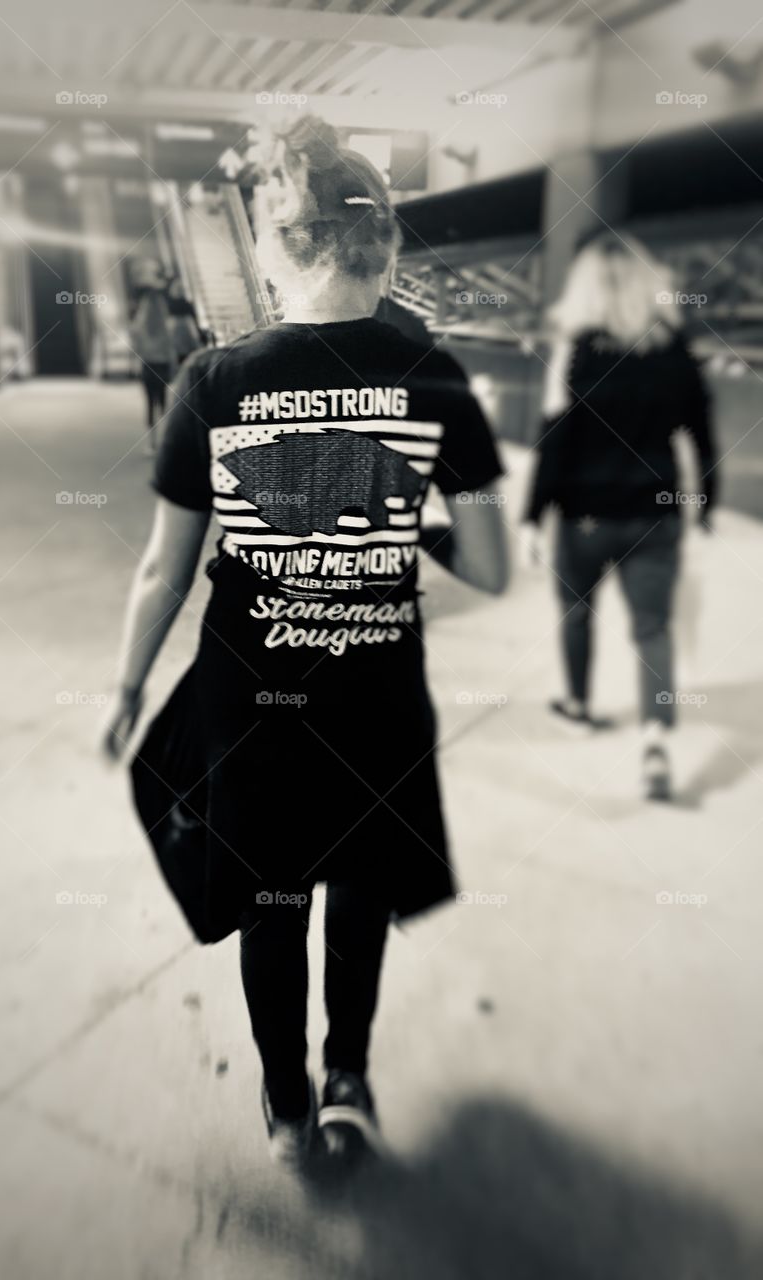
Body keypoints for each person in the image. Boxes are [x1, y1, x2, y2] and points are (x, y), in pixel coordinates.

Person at [103, 116, 509, 1171]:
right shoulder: (439, 376)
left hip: (254, 697)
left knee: (271, 898)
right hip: (376, 691)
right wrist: (394, 514)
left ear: (278, 253)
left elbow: (163, 569)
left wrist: (126, 683)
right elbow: (495, 565)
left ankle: (283, 1106)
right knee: (360, 885)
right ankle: (347, 1085)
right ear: (383, 253)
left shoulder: (213, 379)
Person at [522, 231, 717, 801]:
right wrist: (704, 501)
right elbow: (701, 436)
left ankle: (579, 704)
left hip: (583, 513)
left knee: (576, 610)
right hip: (653, 511)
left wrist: (534, 516)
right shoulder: (673, 350)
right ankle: (655, 739)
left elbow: (553, 440)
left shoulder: (575, 350)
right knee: (653, 627)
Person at [128, 260, 175, 453]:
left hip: (149, 363)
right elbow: (169, 342)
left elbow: (136, 337)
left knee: (150, 403)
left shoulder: (142, 322)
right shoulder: (163, 321)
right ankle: (163, 441)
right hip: (160, 362)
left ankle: (152, 442)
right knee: (162, 401)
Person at [166, 278, 204, 366]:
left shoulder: (170, 305)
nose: (179, 290)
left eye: (181, 288)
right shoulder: (186, 305)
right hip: (182, 335)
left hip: (182, 335)